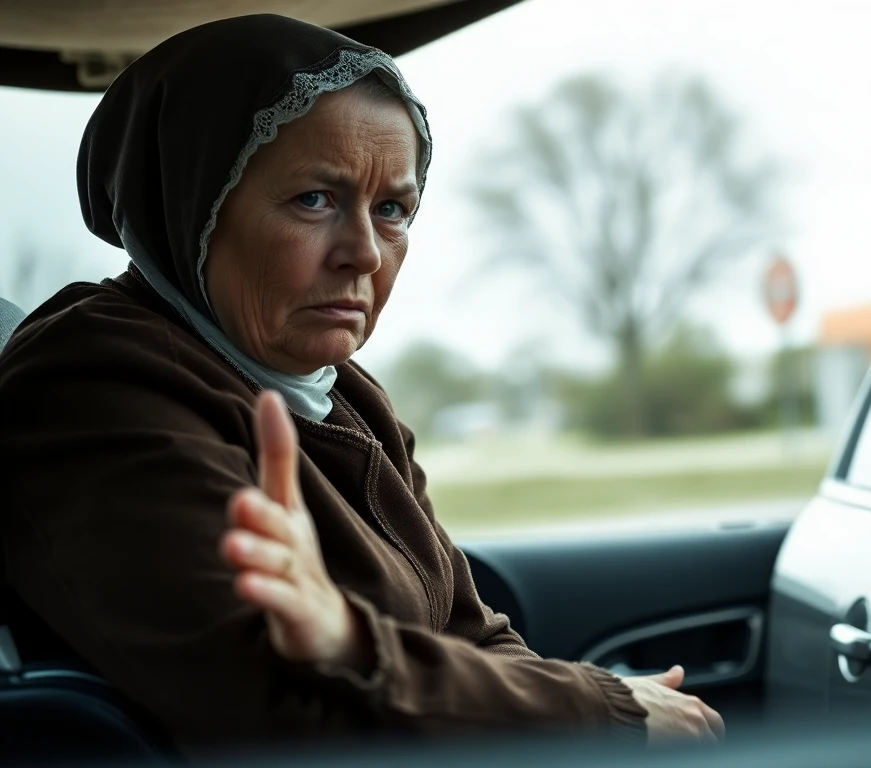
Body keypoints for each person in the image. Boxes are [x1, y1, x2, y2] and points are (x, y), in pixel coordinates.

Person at [0, 15, 722, 753]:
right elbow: (274, 705)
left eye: (392, 210)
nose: (365, 254)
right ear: (191, 208)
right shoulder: (89, 389)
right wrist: (592, 708)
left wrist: (584, 709)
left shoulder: (342, 393)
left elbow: (471, 633)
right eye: (314, 199)